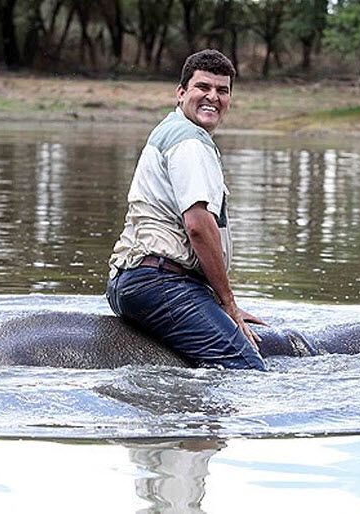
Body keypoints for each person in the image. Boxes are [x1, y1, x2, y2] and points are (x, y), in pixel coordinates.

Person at [105, 49, 267, 370]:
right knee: (247, 368)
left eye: (222, 90)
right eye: (202, 87)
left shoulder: (170, 129)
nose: (213, 97)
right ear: (181, 93)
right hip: (160, 282)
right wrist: (229, 303)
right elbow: (197, 225)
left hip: (134, 279)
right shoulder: (190, 141)